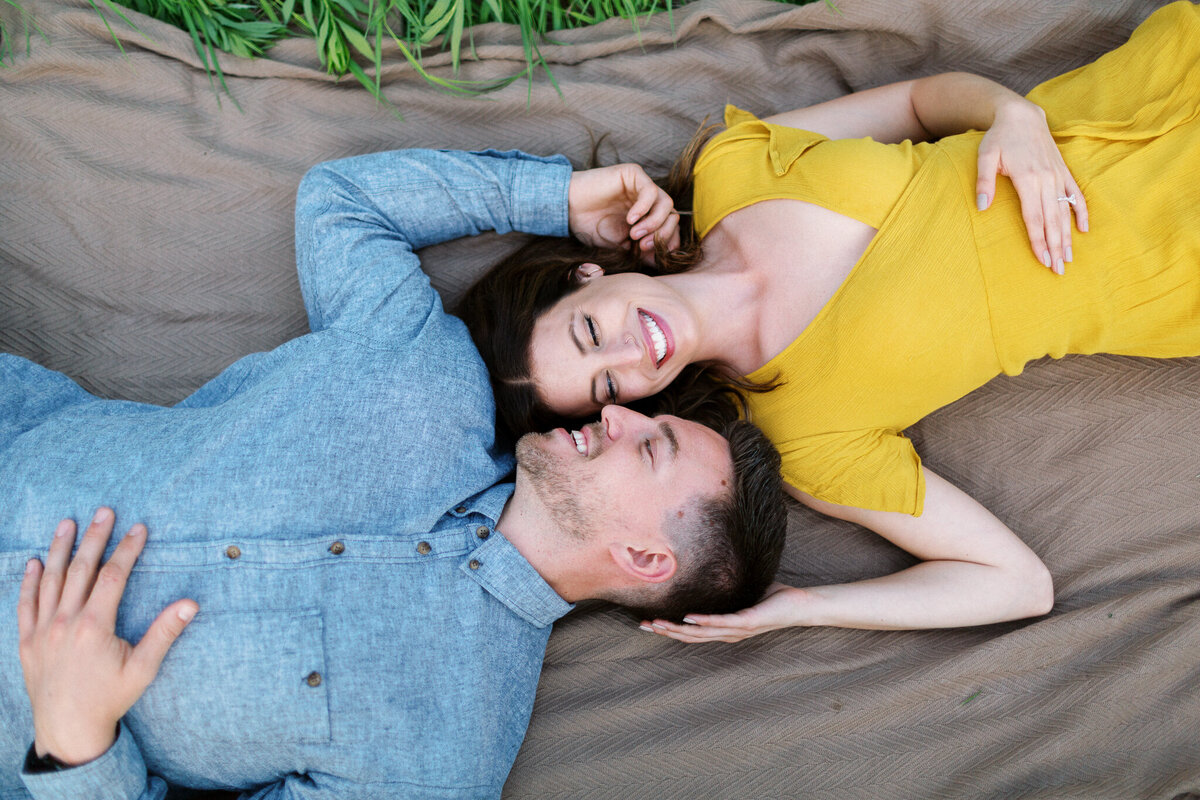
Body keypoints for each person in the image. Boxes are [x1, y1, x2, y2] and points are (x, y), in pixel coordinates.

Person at [0, 147, 787, 799]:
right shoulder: (428, 374)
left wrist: (77, 748)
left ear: (647, 560)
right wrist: (556, 196)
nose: (615, 415)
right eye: (642, 413)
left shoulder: (446, 761)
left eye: (650, 447)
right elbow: (342, 202)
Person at [460, 2, 1200, 640]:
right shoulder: (806, 434)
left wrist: (1012, 114)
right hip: (1174, 256)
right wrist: (808, 607)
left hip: (1144, 92)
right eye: (606, 382)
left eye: (590, 333)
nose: (627, 354)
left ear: (588, 272)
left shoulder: (730, 167)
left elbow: (917, 104)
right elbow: (1015, 583)